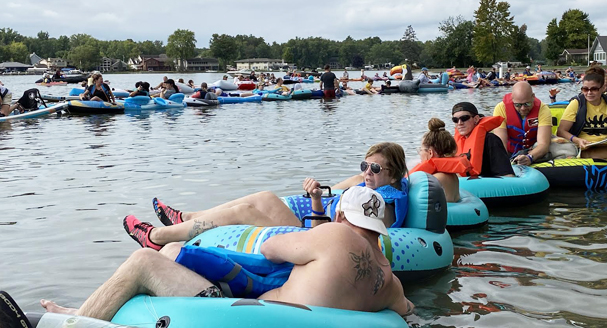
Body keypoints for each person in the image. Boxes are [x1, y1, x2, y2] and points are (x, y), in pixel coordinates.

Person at [41, 186, 414, 321]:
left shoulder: (332, 234)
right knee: (172, 248)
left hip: (237, 314)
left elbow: (270, 248)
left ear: (338, 213)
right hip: (271, 311)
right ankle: (90, 311)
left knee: (144, 262)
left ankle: (73, 322)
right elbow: (407, 311)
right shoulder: (390, 281)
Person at [123, 142, 409, 250]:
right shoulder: (371, 186)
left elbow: (343, 235)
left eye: (374, 168)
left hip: (314, 238)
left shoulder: (384, 203)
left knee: (245, 211)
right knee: (264, 196)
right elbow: (355, 180)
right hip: (315, 227)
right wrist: (323, 191)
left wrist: (318, 201)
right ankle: (184, 218)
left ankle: (157, 237)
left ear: (394, 173)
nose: (366, 172)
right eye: (364, 165)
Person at [492, 82, 553, 165]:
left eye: (527, 104)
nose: (523, 108)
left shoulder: (543, 109)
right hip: (510, 151)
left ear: (533, 97)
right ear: (512, 99)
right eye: (518, 105)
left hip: (534, 150)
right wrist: (504, 162)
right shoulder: (500, 109)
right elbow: (501, 143)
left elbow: (543, 144)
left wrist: (530, 157)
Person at [409, 118, 468, 202]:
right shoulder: (453, 175)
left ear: (430, 153)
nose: (419, 153)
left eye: (420, 150)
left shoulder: (435, 179)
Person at [452, 102, 514, 177]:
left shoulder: (491, 140)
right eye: (455, 120)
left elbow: (507, 175)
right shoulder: (453, 143)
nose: (459, 123)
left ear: (476, 119)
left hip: (487, 185)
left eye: (464, 118)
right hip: (465, 183)